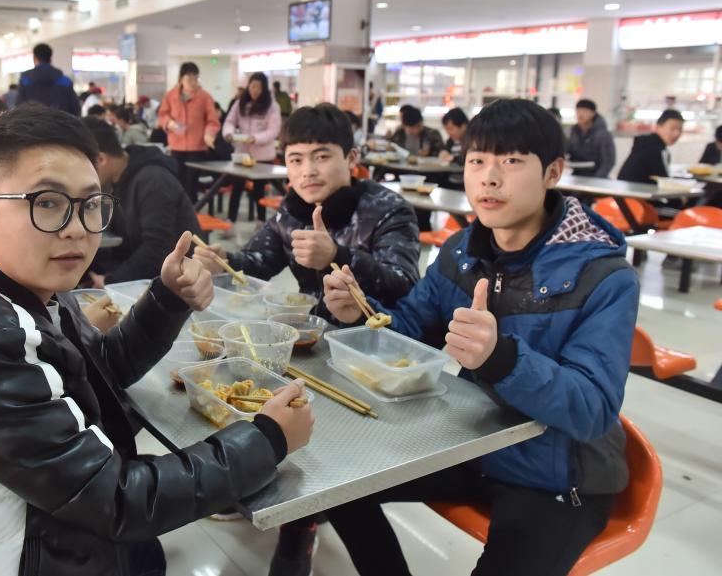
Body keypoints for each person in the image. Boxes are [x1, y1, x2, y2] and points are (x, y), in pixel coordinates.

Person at [0, 107, 313, 576]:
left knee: (148, 556)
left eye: (91, 204)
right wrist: (267, 439)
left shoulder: (17, 286)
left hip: (50, 521)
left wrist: (166, 299)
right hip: (3, 561)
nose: (76, 227)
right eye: (47, 202)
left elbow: (98, 369)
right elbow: (119, 500)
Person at [314, 98, 639, 576]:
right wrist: (358, 314)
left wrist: (501, 358)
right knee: (334, 482)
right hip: (470, 445)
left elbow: (592, 410)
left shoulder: (603, 276)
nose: (489, 178)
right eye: (477, 161)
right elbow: (408, 331)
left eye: (512, 161)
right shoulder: (461, 252)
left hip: (556, 475)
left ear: (552, 172)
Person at [194, 103, 420, 324]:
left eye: (321, 157)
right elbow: (259, 260)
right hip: (310, 331)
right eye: (296, 160)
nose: (308, 171)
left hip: (371, 337)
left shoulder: (388, 210)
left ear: (351, 158)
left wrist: (336, 256)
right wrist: (224, 262)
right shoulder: (294, 209)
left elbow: (404, 287)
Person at [84, 116, 199, 285]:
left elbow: (158, 248)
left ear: (101, 159)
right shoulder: (115, 180)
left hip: (178, 278)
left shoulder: (153, 180)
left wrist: (111, 280)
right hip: (143, 266)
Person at [222, 71, 282, 223]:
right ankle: (231, 220)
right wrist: (229, 134)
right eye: (252, 86)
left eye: (258, 87)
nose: (255, 90)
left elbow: (273, 131)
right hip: (242, 154)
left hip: (263, 155)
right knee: (237, 187)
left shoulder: (272, 106)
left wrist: (254, 138)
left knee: (259, 189)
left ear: (264, 89)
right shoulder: (240, 103)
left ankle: (261, 221)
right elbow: (229, 121)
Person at [158, 62, 220, 202]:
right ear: (181, 79)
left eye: (196, 78)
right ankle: (179, 211)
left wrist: (209, 133)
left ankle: (191, 210)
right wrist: (169, 123)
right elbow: (162, 115)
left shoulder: (205, 97)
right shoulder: (171, 95)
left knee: (191, 183)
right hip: (176, 146)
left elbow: (213, 120)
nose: (193, 82)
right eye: (189, 79)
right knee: (177, 182)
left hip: (197, 147)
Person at [617, 109, 684, 185]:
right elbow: (664, 182)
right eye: (673, 128)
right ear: (658, 127)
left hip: (625, 190)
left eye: (680, 129)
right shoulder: (656, 149)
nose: (677, 133)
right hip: (637, 192)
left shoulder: (647, 144)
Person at [16, 43, 81, 115]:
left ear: (34, 58)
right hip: (59, 121)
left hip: (32, 121)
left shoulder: (25, 80)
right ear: (50, 59)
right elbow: (75, 108)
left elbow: (18, 107)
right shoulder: (65, 81)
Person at [566, 99, 615, 178]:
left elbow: (608, 162)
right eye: (578, 111)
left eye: (585, 111)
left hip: (596, 177)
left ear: (593, 113)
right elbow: (567, 150)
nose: (581, 114)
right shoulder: (574, 131)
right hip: (576, 175)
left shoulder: (603, 134)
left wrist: (596, 179)